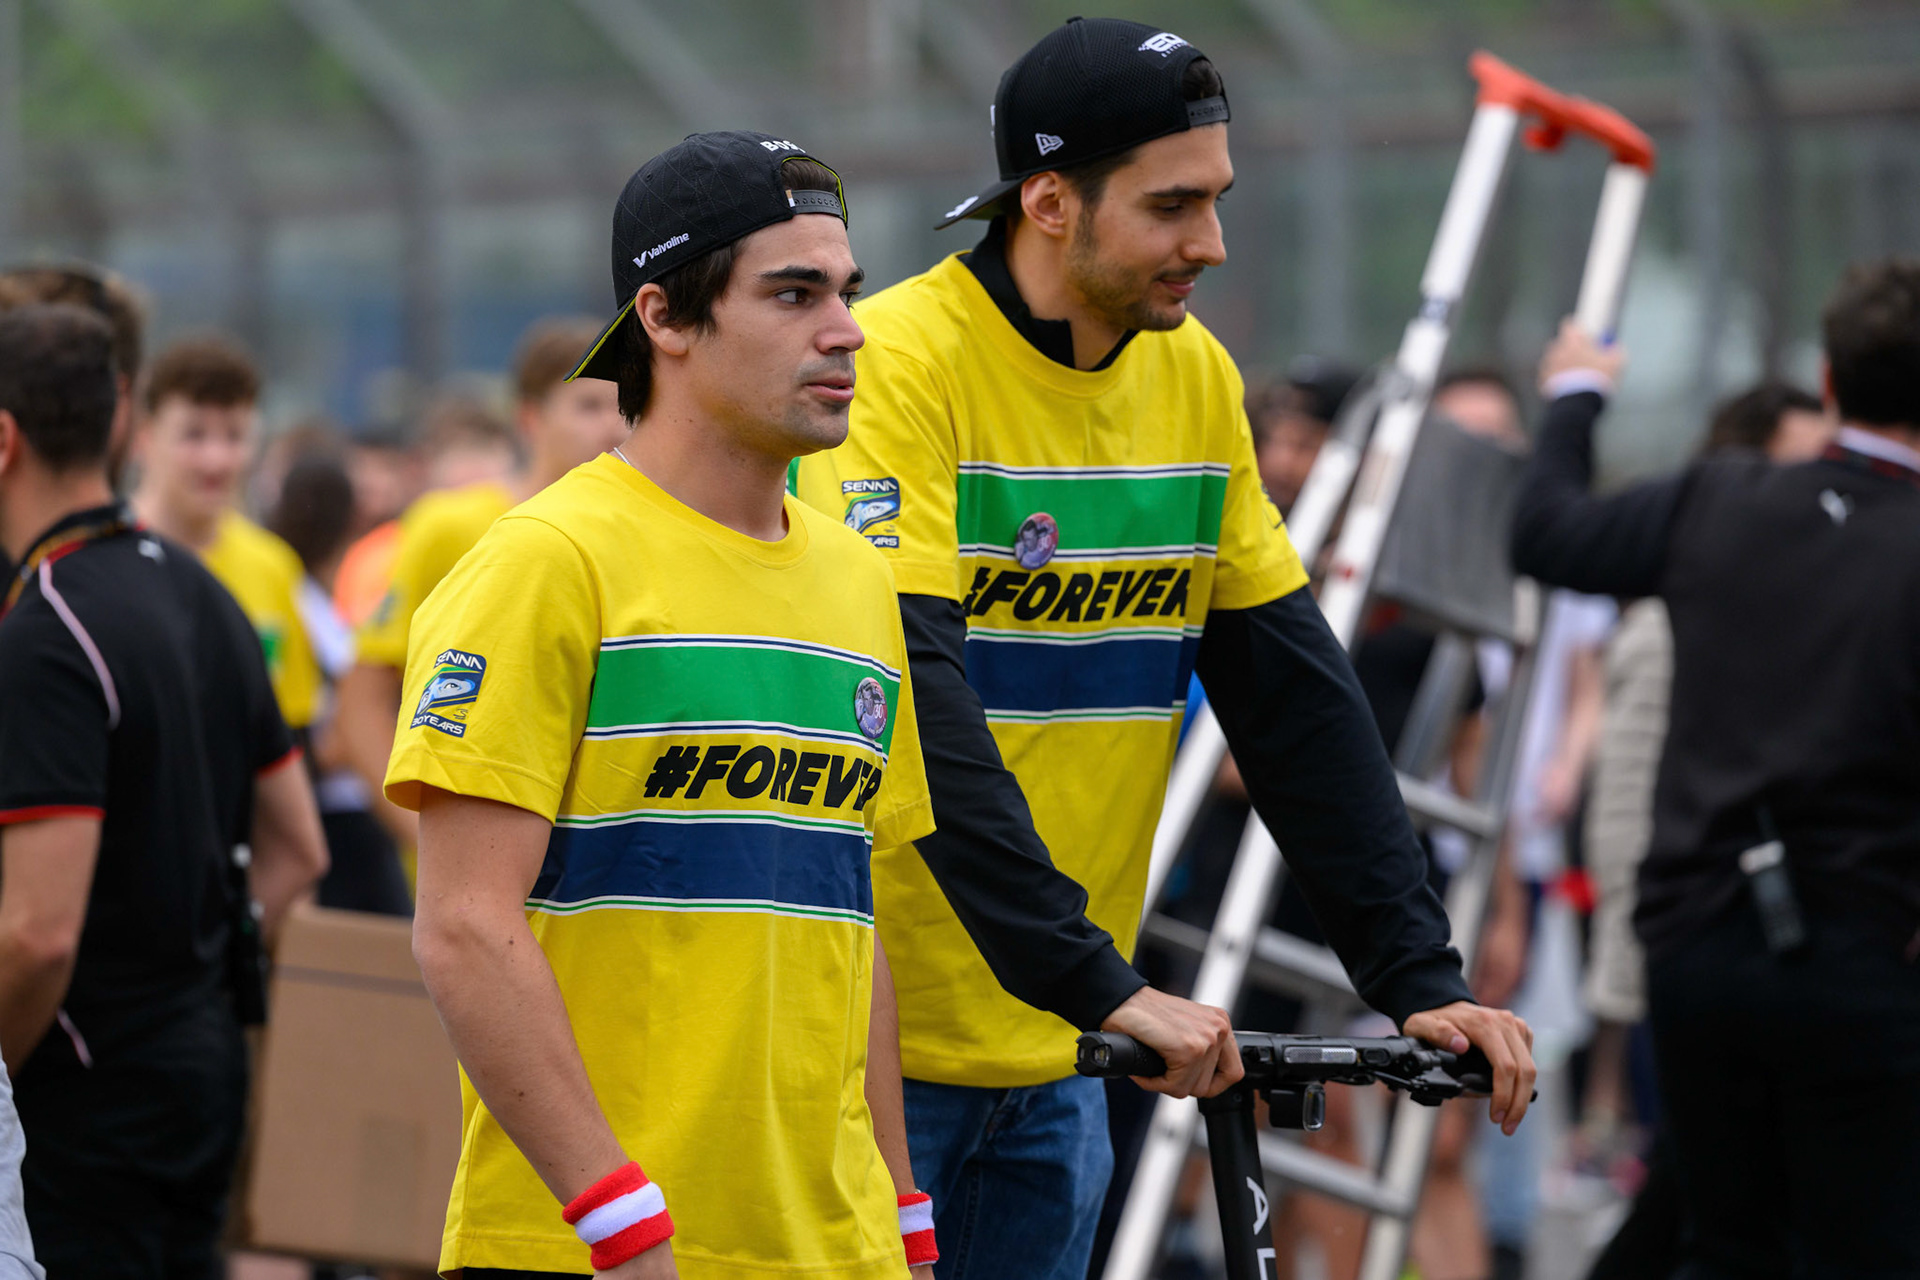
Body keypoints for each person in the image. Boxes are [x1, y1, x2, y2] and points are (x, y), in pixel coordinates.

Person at [793, 20, 1536, 1276]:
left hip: (1067, 1050)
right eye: (1174, 205)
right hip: (871, 1054)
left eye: (1219, 198)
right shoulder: (902, 366)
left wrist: (1416, 969)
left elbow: (1293, 694)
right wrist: (1094, 976)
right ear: (1048, 203)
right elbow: (915, 709)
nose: (1212, 241)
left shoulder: (1192, 375)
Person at [395, 132, 941, 1278]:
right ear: (665, 316)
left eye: (847, 291)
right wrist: (615, 1215)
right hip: (599, 1249)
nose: (844, 328)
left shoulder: (855, 577)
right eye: (792, 293)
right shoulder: (547, 561)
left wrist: (901, 1205)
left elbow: (854, 927)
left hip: (836, 1247)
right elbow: (462, 924)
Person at [1512, 260, 1920, 1278]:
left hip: (1696, 944)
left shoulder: (1720, 497)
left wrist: (1574, 397)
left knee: (1723, 1241)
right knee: (1866, 1240)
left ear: (1827, 378)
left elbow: (1549, 531)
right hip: (1863, 949)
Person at [0, 302, 328, 1275]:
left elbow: (38, 932)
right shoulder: (201, 589)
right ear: (120, 416)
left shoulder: (45, 628)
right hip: (207, 1064)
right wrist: (195, 978)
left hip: (86, 1092)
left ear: (4, 438)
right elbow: (297, 849)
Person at [1577, 381, 1830, 1280]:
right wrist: (1642, 958)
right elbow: (1627, 817)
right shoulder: (1671, 621)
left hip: (1758, 962)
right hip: (1688, 967)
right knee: (1698, 1210)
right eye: (1801, 464)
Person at [335, 321, 626, 850]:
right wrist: (426, 839)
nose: (614, 426)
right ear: (530, 417)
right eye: (588, 406)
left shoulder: (639, 537)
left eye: (625, 405)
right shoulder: (452, 524)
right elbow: (363, 700)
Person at [130, 336, 325, 734]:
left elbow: (290, 727)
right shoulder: (100, 560)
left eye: (234, 436)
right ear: (145, 438)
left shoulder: (273, 565)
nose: (216, 460)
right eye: (194, 435)